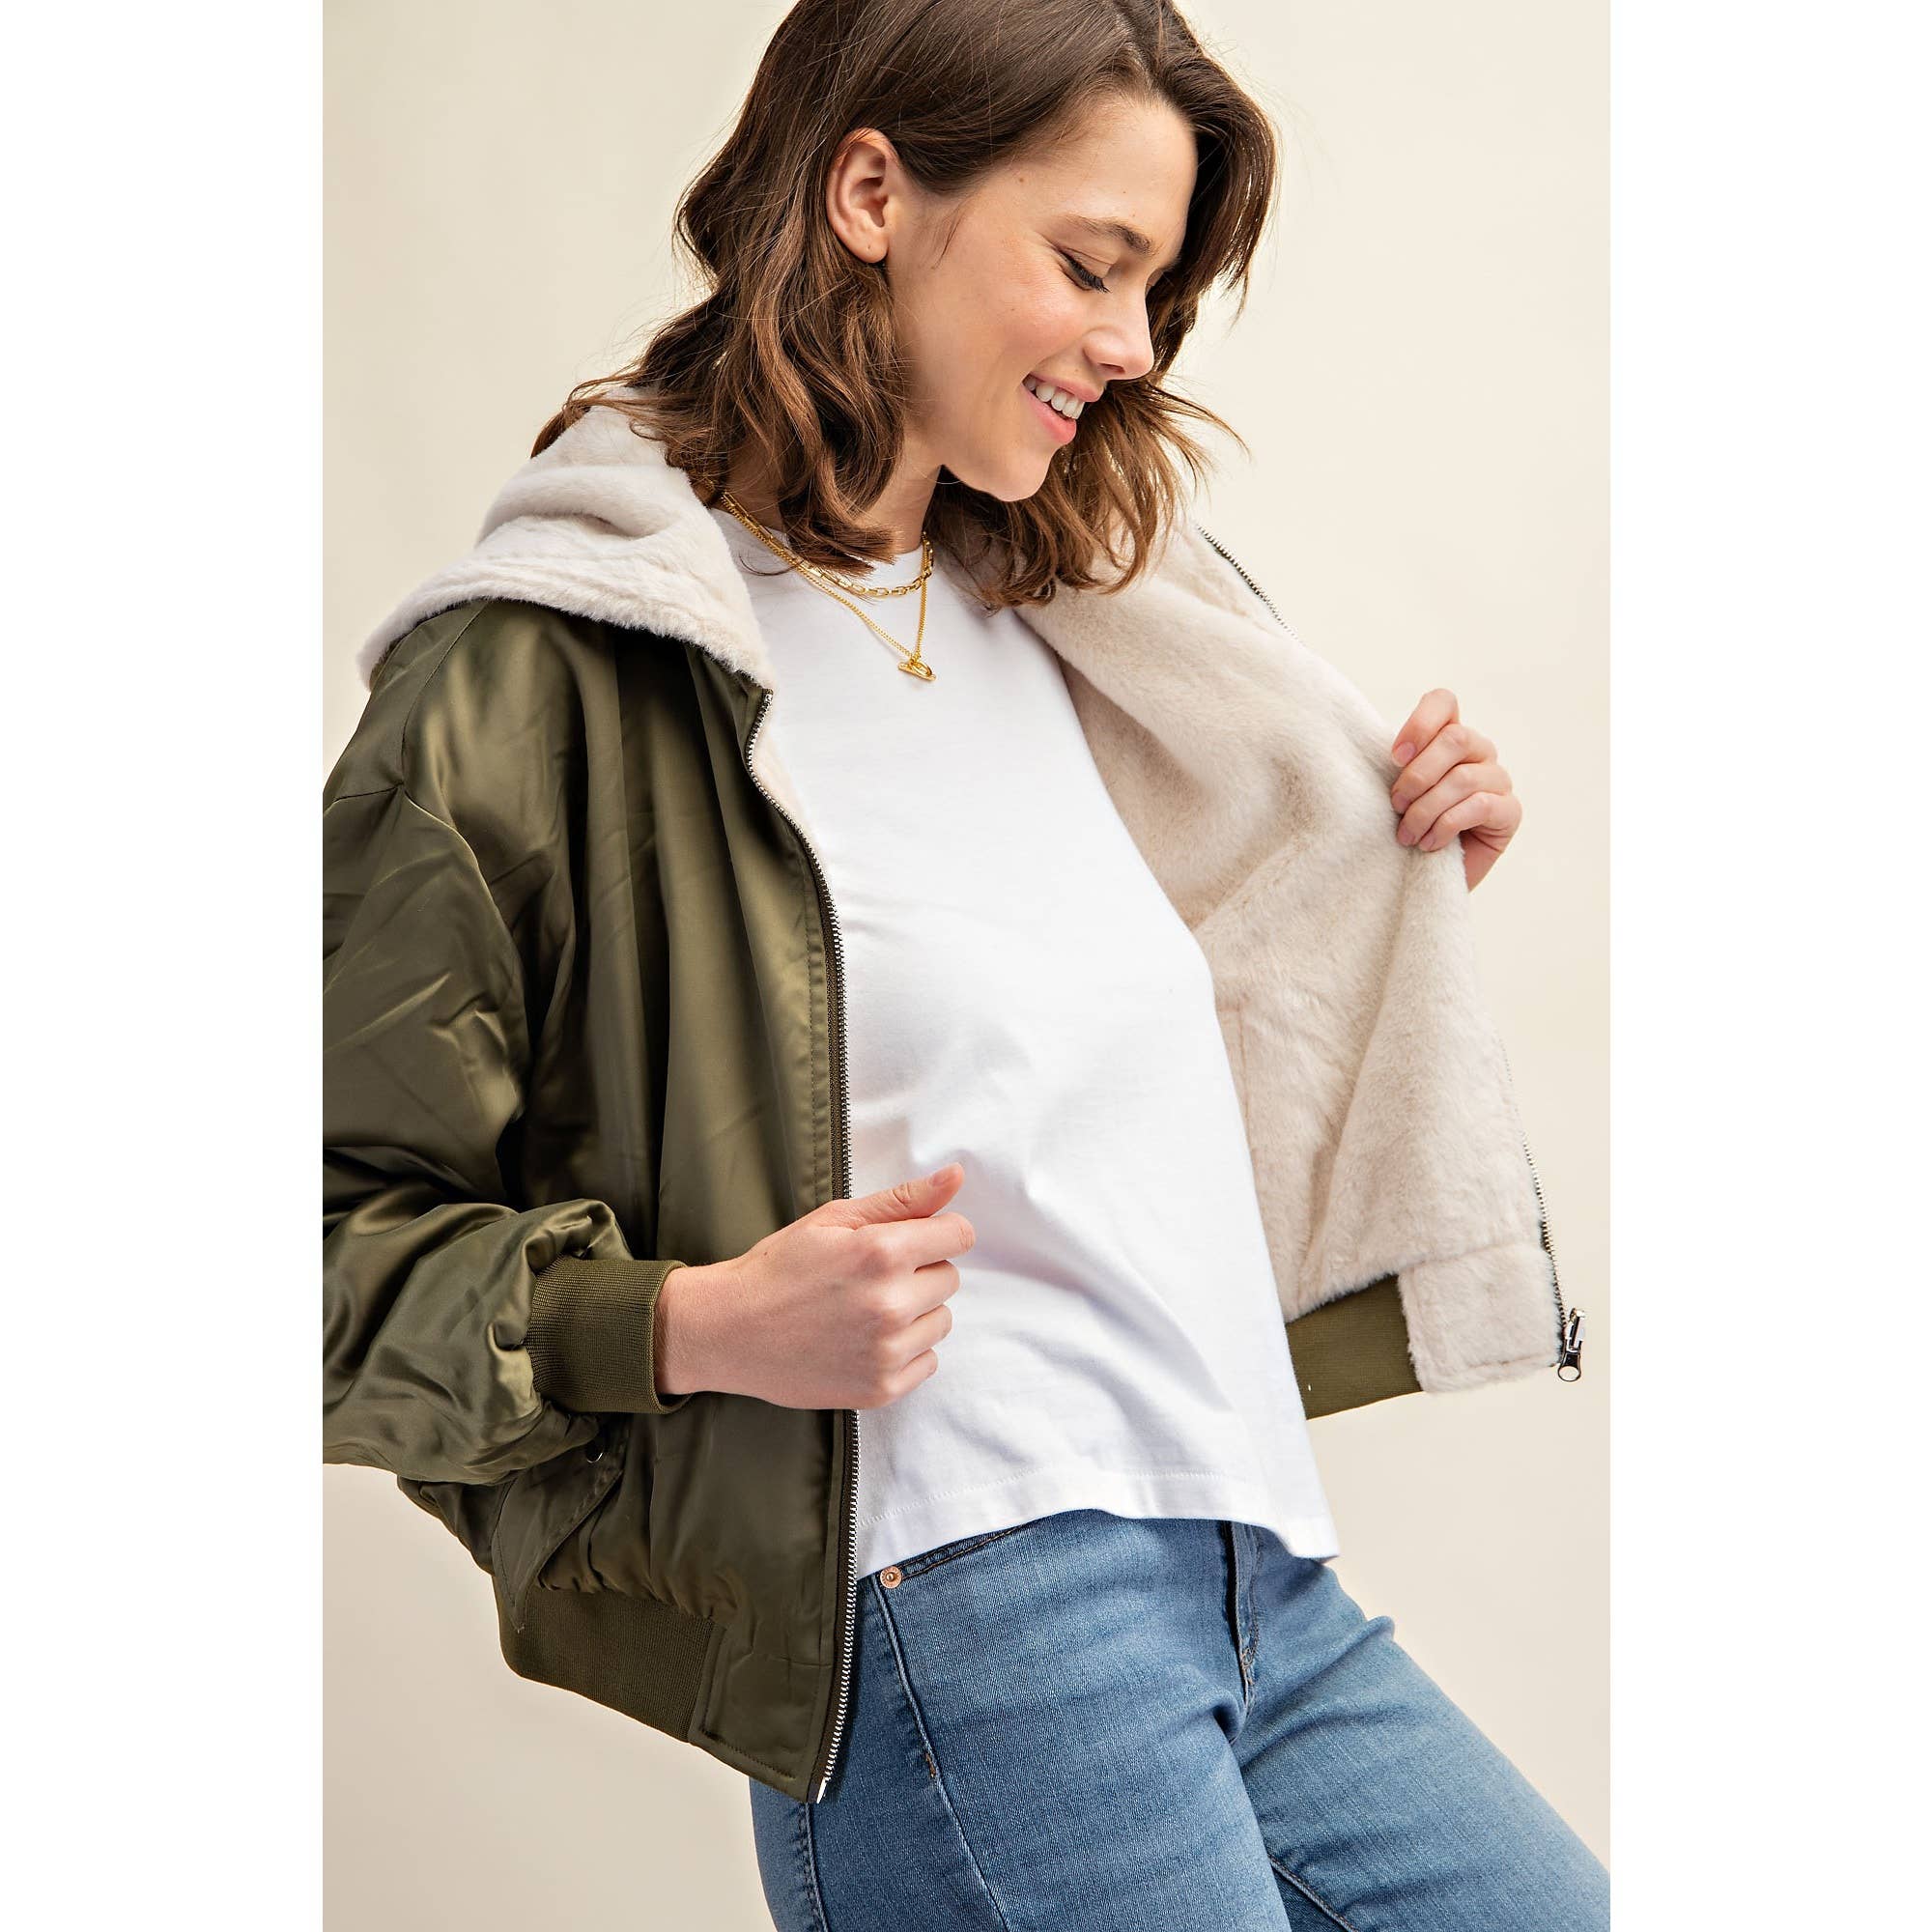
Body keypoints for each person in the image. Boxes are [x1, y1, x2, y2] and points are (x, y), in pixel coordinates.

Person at [323, 1, 1604, 1924]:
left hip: (1251, 1566)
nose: (1133, 340)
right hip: (968, 1604)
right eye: (1089, 263)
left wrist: (1377, 859)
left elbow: (1083, 1052)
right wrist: (691, 1325)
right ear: (870, 193)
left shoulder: (1081, 615)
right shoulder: (554, 672)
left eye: (1157, 289)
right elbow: (317, 1246)